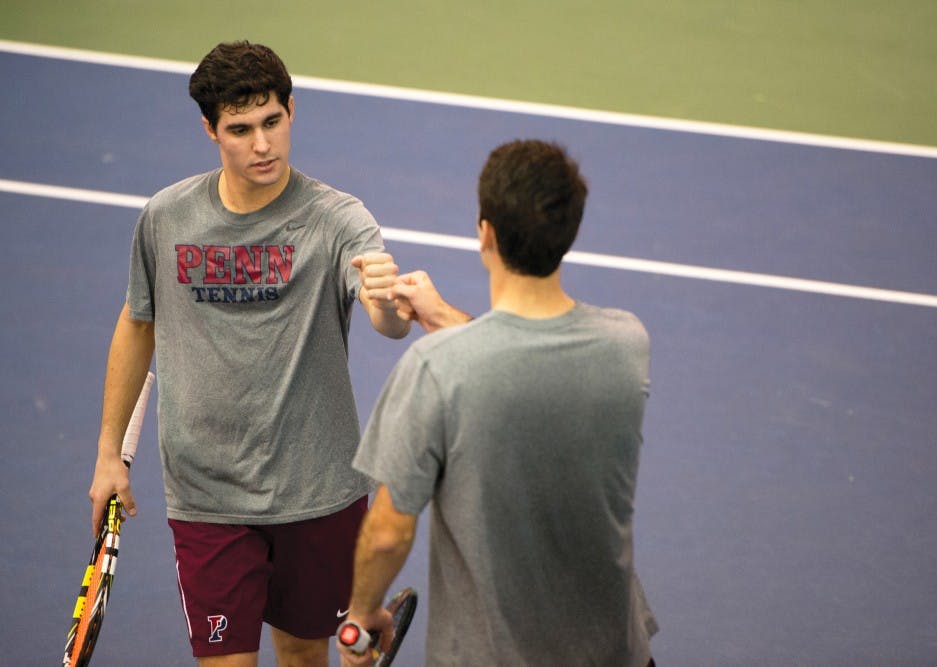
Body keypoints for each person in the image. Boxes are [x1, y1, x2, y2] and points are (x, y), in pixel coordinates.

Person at [87, 41, 411, 666]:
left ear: (291, 112)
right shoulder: (166, 217)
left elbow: (387, 323)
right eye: (240, 129)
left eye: (272, 122)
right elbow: (136, 323)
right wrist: (107, 455)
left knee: (301, 655)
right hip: (208, 496)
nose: (262, 144)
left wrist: (389, 302)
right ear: (210, 130)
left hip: (317, 491)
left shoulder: (339, 220)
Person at [338, 140, 659, 666]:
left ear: (485, 233)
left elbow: (388, 534)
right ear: (570, 233)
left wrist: (361, 614)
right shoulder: (627, 345)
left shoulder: (436, 370)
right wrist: (443, 315)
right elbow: (528, 359)